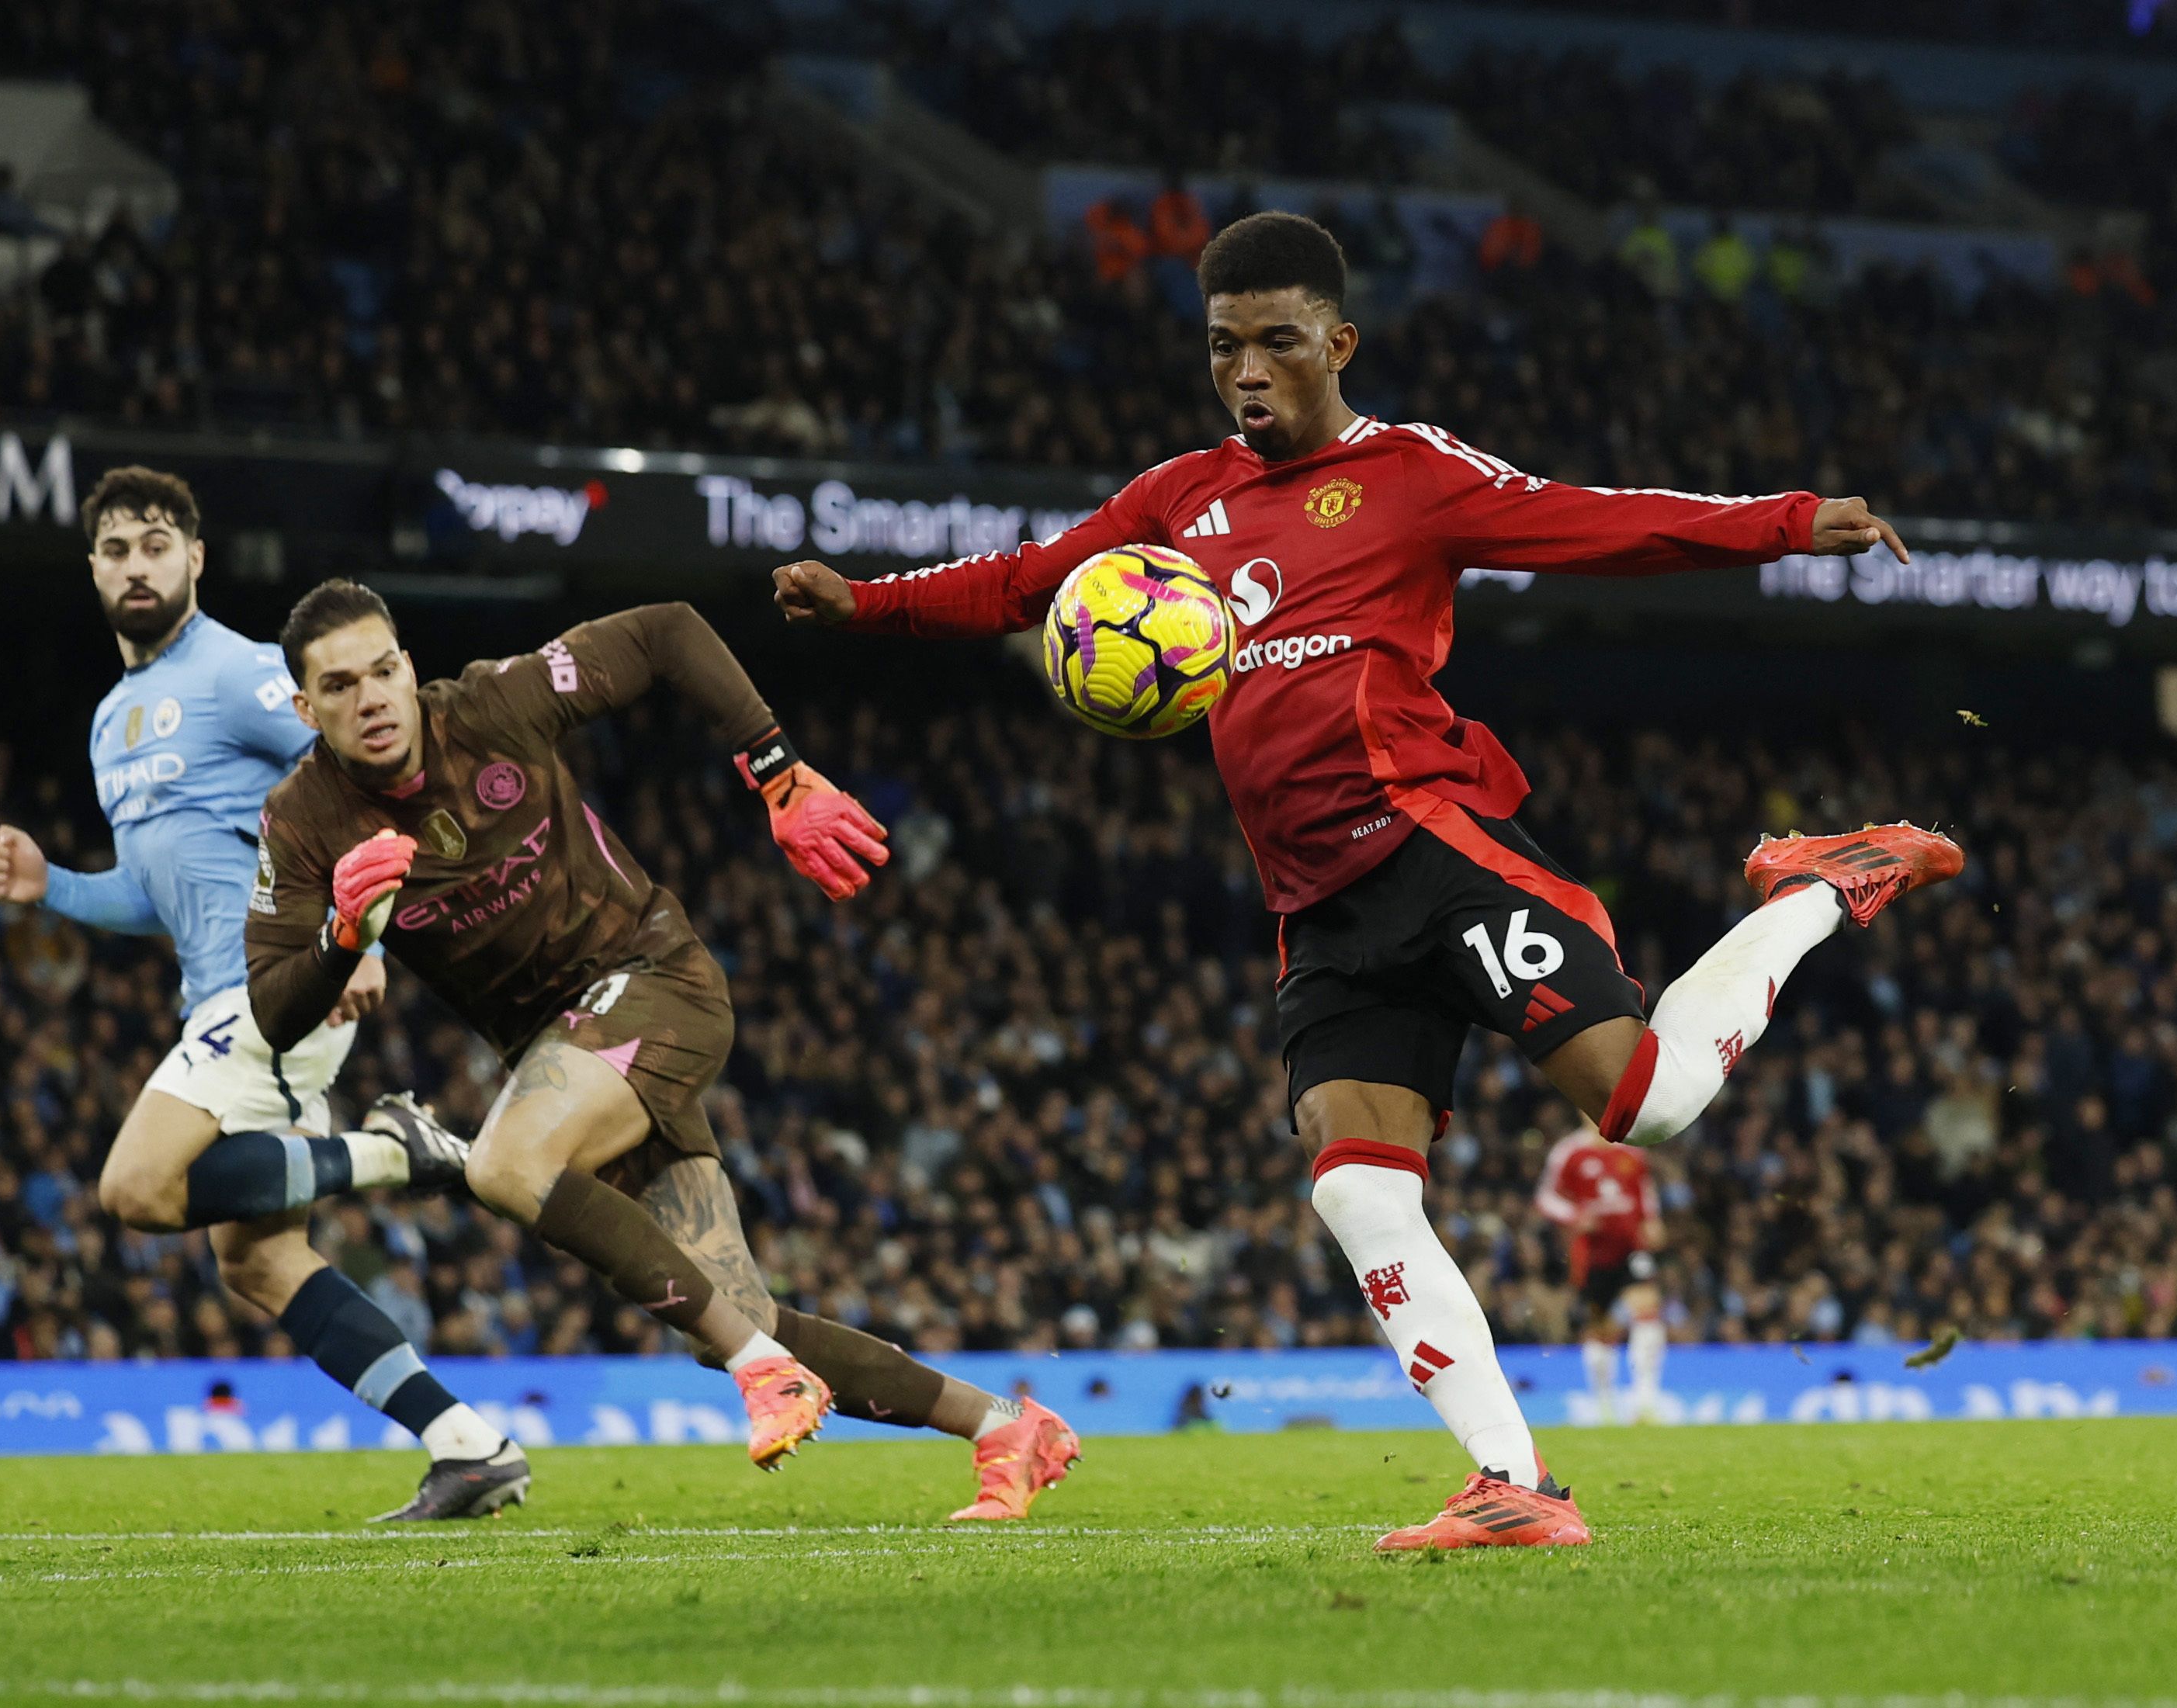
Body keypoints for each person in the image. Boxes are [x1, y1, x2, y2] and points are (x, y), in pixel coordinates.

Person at [771, 210, 1962, 1552]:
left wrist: (1787, 523)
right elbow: (1033, 584)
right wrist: (865, 604)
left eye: (1278, 342)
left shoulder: (1410, 475)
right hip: (1316, 908)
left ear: (1338, 342)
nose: (1248, 371)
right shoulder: (1176, 501)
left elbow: (1592, 524)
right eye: (1225, 346)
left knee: (1644, 1104)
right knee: (1354, 1185)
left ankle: (1821, 884)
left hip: (1429, 847)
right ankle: (1514, 1486)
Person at [244, 580, 1083, 1523]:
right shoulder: (304, 817)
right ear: (305, 706)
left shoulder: (491, 705)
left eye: (386, 669)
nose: (373, 698)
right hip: (566, 1051)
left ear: (409, 665)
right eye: (342, 684)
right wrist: (342, 939)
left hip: (654, 980)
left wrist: (780, 771)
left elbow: (665, 629)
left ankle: (761, 1371)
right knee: (739, 1312)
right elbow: (275, 1008)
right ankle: (1004, 1424)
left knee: (507, 1164)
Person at [0, 466, 517, 1523]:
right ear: (93, 569)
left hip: (276, 980)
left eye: (158, 543)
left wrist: (356, 930)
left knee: (134, 1188)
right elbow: (150, 891)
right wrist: (56, 889)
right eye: (118, 549)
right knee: (259, 1262)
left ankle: (397, 1152)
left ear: (197, 560)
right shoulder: (110, 721)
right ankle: (469, 1445)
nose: (139, 564)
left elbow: (364, 779)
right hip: (223, 990)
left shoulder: (233, 673)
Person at [1535, 1120, 1665, 1424]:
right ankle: (1605, 1404)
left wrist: (1652, 1220)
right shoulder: (1569, 1151)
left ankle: (1645, 1402)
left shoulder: (1631, 1150)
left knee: (1647, 1311)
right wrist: (1575, 1215)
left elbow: (1644, 1191)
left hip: (1631, 1246)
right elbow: (1546, 1197)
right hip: (1592, 1252)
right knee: (1600, 1327)